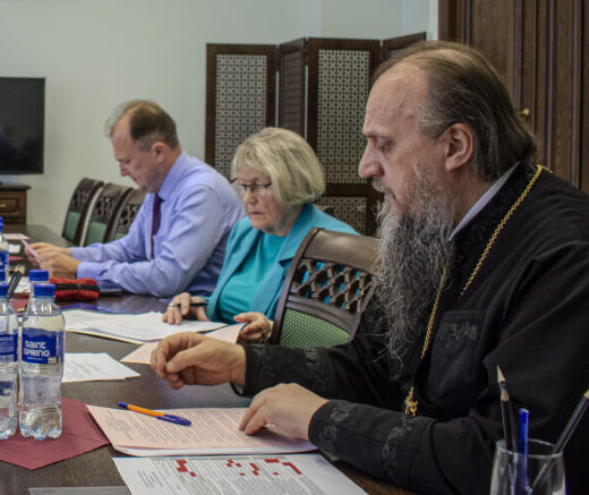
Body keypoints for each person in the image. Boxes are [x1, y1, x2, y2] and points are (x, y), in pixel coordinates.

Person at [151, 42, 589, 495]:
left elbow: (506, 457)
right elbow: (372, 368)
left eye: (384, 145)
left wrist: (322, 419)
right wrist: (244, 363)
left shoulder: (565, 256)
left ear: (456, 146)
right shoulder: (435, 225)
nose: (365, 167)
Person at [163, 127, 356, 343]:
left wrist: (272, 331)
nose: (248, 198)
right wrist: (198, 305)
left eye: (258, 186)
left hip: (276, 362)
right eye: (243, 186)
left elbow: (338, 339)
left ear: (294, 182)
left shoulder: (335, 247)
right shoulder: (244, 231)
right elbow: (234, 308)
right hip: (226, 351)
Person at [33, 100, 243, 297]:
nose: (122, 172)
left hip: (200, 313)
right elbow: (129, 250)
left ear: (158, 152)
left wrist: (80, 269)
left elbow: (167, 278)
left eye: (127, 161)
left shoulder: (201, 192)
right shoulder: (157, 187)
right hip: (165, 307)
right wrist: (69, 255)